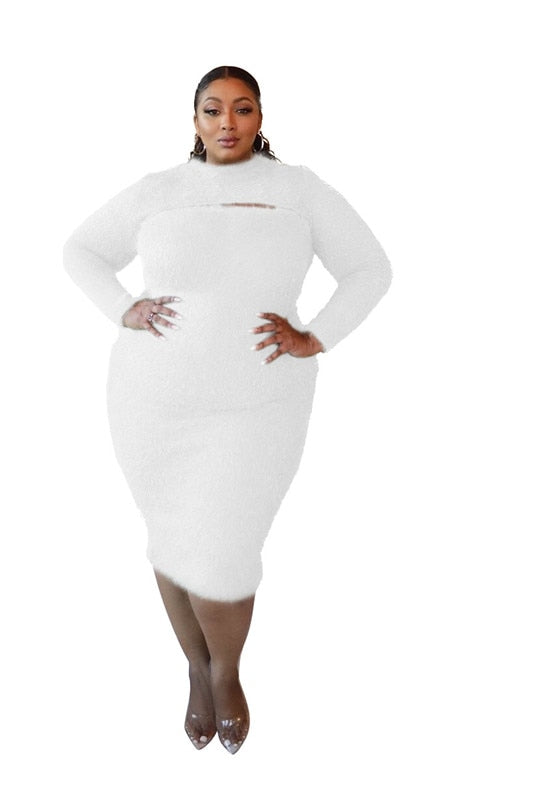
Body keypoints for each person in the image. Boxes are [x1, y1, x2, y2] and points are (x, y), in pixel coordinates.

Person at [63, 65, 393, 755]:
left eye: (242, 109)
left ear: (260, 117)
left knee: (224, 546)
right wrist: (122, 307)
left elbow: (370, 268)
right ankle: (195, 667)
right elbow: (81, 250)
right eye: (212, 109)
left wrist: (316, 335)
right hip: (151, 401)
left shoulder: (298, 189)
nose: (227, 122)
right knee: (172, 535)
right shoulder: (159, 190)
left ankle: (227, 670)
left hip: (259, 404)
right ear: (194, 121)